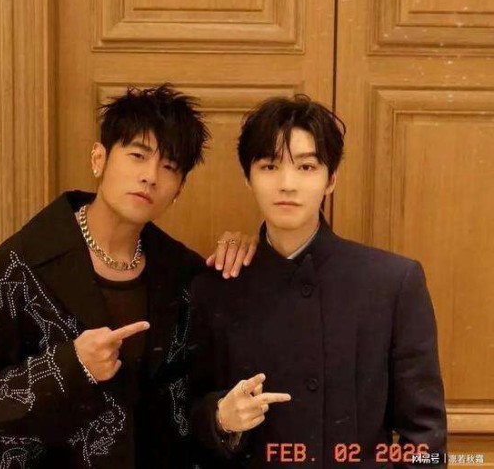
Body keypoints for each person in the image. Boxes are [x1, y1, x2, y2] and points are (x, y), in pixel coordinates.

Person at [0, 84, 258, 468]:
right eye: (137, 155)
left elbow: (192, 403)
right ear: (99, 159)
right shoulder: (25, 262)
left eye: (168, 167)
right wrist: (70, 366)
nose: (150, 176)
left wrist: (251, 252)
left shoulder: (183, 276)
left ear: (178, 189)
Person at [188, 95, 447, 468]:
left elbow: (425, 439)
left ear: (331, 179)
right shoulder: (216, 286)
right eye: (269, 166)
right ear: (248, 178)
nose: (287, 184)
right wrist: (219, 419)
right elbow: (183, 413)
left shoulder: (391, 283)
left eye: (307, 167)